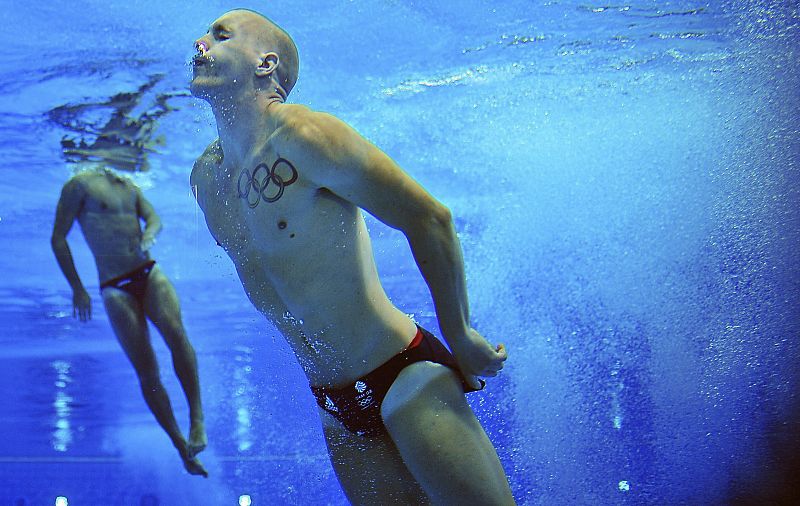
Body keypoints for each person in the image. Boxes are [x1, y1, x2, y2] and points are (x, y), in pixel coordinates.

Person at [190, 8, 514, 504]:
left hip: (403, 375)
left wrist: (460, 334)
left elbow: (428, 218)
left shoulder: (305, 136)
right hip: (335, 407)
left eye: (220, 34)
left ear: (265, 63)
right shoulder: (206, 179)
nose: (200, 43)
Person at [50, 166, 208, 477]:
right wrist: (77, 288)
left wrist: (150, 231)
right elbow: (58, 238)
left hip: (147, 270)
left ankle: (197, 419)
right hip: (114, 286)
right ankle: (181, 446)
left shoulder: (129, 184)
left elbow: (154, 217)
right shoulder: (78, 185)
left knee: (177, 334)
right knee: (147, 371)